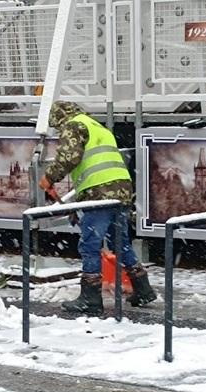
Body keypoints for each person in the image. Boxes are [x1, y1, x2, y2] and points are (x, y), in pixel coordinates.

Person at [39, 101, 157, 315]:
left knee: (90, 244)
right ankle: (143, 288)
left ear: (58, 118)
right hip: (120, 188)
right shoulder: (95, 125)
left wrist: (49, 177)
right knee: (119, 242)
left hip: (100, 191)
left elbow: (69, 157)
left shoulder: (73, 125)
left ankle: (90, 298)